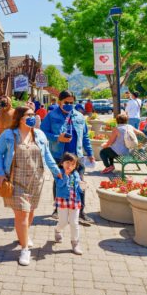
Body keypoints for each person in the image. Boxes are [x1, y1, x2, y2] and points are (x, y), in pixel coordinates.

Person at [0, 105, 61, 266]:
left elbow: (48, 155)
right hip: (16, 179)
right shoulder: (9, 135)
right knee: (22, 214)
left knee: (30, 212)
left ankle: (24, 234)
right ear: (20, 118)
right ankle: (24, 249)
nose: (33, 117)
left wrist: (57, 172)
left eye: (33, 114)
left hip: (37, 179)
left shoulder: (39, 134)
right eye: (29, 115)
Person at [40, 91, 95, 225]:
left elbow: (86, 137)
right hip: (59, 156)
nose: (69, 105)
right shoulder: (51, 116)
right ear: (60, 102)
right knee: (60, 182)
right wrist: (57, 138)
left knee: (80, 183)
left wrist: (90, 153)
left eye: (71, 102)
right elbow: (42, 133)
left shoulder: (80, 117)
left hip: (77, 157)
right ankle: (58, 210)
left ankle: (81, 212)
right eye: (66, 102)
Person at [53, 153, 86, 255]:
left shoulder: (76, 174)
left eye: (72, 164)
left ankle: (75, 243)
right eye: (67, 162)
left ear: (75, 165)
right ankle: (57, 230)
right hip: (63, 200)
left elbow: (79, 188)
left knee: (74, 222)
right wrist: (65, 176)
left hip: (75, 200)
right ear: (62, 163)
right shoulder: (59, 173)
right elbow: (59, 184)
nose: (69, 166)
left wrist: (83, 187)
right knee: (63, 222)